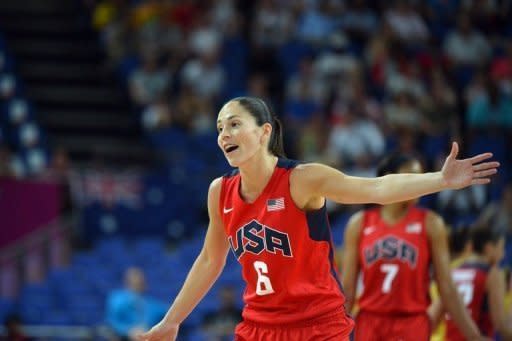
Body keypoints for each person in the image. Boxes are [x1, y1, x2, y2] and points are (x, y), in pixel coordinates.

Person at [137, 96, 498, 341]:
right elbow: (209, 260)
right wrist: (172, 320)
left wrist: (441, 180)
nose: (224, 135)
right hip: (259, 327)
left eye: (234, 124)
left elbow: (375, 188)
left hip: (317, 327)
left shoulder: (302, 179)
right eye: (219, 128)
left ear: (264, 132)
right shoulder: (220, 191)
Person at [341, 153, 491, 341]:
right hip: (370, 322)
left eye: (421, 177)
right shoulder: (359, 223)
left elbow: (446, 287)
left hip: (412, 323)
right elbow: (347, 289)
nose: (419, 185)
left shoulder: (431, 223)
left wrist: (474, 336)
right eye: (411, 177)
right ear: (390, 178)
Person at [430, 226, 512, 340]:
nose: (503, 254)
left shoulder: (453, 271)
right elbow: (500, 324)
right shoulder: (492, 273)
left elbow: (433, 316)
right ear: (489, 248)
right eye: (501, 248)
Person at [106, 267, 167, 341]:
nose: (139, 281)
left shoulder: (152, 303)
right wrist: (128, 331)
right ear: (127, 281)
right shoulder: (117, 298)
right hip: (125, 337)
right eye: (135, 278)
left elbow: (169, 312)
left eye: (141, 279)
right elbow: (112, 321)